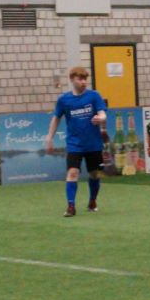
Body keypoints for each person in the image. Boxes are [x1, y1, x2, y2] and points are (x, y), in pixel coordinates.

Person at [45, 65, 107, 217]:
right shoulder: (64, 100)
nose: (83, 82)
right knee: (72, 172)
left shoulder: (94, 96)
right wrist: (49, 137)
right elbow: (56, 119)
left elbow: (103, 113)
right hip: (74, 144)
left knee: (94, 174)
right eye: (80, 79)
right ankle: (71, 206)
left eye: (85, 79)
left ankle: (92, 201)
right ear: (72, 80)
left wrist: (100, 118)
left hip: (93, 143)